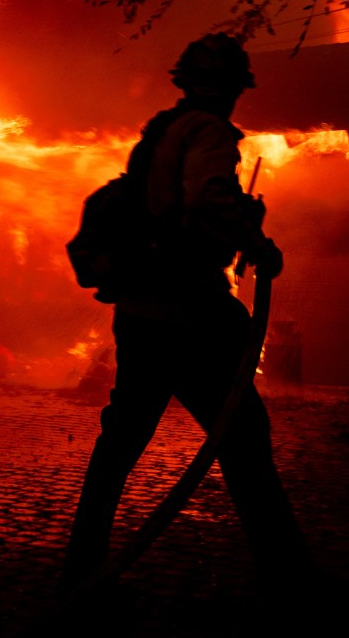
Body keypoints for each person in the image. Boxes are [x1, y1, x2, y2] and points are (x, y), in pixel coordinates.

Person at [61, 33, 312, 593]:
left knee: (121, 443)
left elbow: (165, 206)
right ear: (226, 90)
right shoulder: (208, 133)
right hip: (189, 314)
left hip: (142, 310)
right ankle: (292, 585)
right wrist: (256, 240)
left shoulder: (162, 131)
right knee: (244, 439)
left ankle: (80, 570)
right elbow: (207, 199)